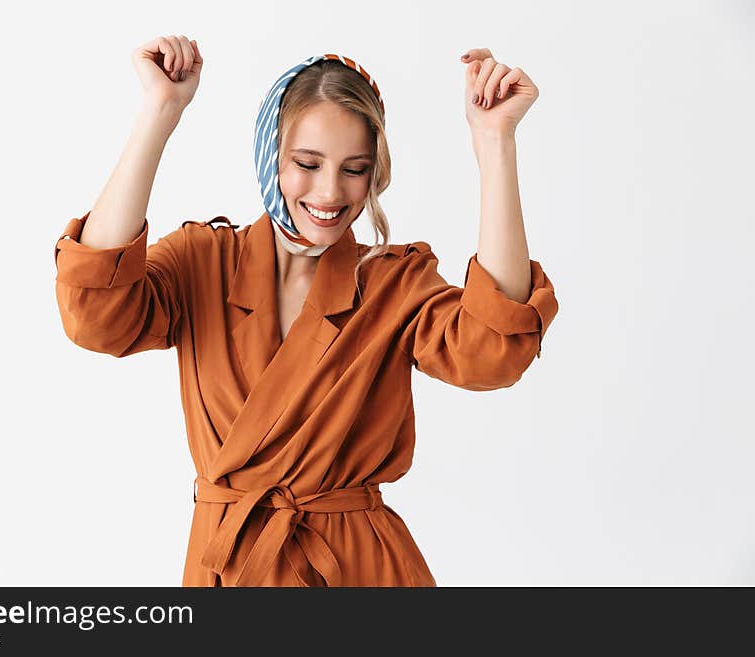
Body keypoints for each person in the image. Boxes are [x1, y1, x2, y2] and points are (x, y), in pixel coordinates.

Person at [53, 35, 559, 586]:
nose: (330, 192)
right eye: (307, 163)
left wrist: (495, 141)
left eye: (354, 168)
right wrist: (160, 110)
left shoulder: (393, 281)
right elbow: (95, 311)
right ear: (271, 153)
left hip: (357, 571)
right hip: (231, 564)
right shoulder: (202, 261)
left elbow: (494, 350)